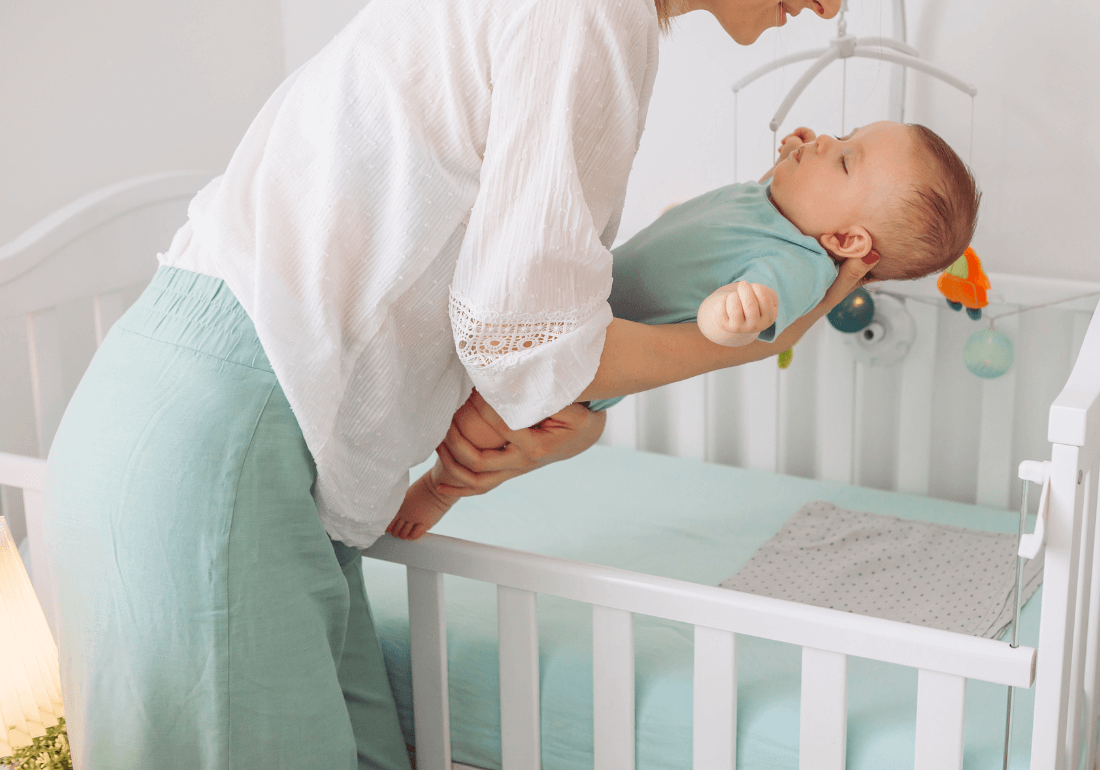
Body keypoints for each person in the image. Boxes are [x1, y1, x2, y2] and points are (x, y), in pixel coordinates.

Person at [41, 0, 868, 768]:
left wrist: (565, 398)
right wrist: (748, 346)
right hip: (221, 443)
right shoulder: (588, 16)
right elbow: (524, 335)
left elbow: (524, 319)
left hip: (250, 438)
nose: (831, 7)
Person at [387, 120, 980, 540]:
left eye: (845, 159)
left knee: (479, 425)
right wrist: (800, 159)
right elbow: (752, 215)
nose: (826, 140)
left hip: (578, 374)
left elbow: (759, 313)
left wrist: (736, 314)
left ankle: (439, 490)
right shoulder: (771, 205)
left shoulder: (795, 265)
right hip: (572, 310)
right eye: (845, 134)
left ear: (847, 243)